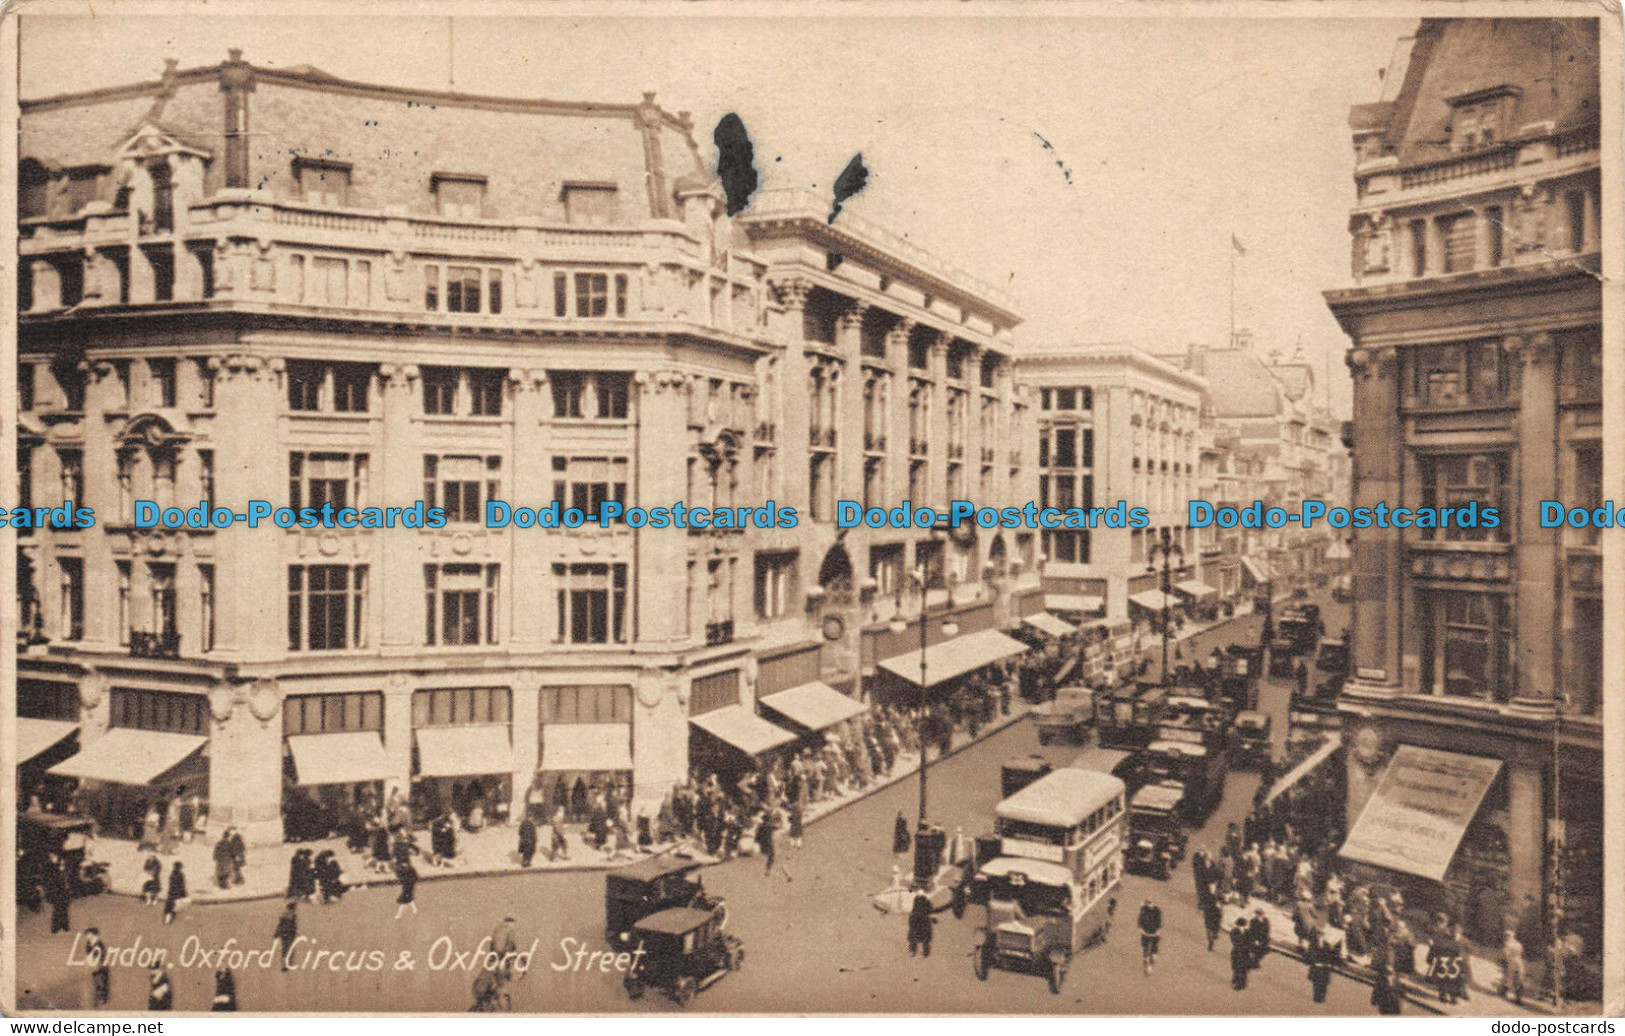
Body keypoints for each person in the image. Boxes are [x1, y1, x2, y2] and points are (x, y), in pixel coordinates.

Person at [83, 928, 111, 1008]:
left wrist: (97, 967)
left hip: (100, 970)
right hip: (94, 970)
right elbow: (88, 957)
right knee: (95, 988)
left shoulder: (99, 945)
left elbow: (101, 959)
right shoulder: (88, 944)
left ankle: (101, 1005)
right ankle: (96, 1006)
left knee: (101, 988)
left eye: (88, 934)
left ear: (93, 934)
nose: (87, 936)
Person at [1136, 898, 1163, 973]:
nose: (1150, 904)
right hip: (1146, 931)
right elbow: (1140, 919)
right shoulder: (1143, 909)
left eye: (1151, 903)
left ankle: (1150, 962)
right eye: (1148, 903)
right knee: (1145, 947)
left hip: (1154, 932)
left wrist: (1159, 929)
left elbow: (1159, 921)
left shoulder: (1157, 910)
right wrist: (1140, 928)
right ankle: (1146, 959)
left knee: (1153, 949)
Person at [1499, 929, 1525, 1005]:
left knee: (1508, 978)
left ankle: (1503, 992)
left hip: (1512, 961)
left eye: (1506, 936)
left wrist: (1505, 961)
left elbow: (1505, 954)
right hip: (1519, 962)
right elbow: (1521, 953)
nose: (1505, 937)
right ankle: (1518, 998)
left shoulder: (1508, 944)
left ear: (1509, 936)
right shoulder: (1518, 944)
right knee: (1519, 979)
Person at [1306, 933, 1332, 1004]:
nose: (1321, 937)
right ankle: (1317, 997)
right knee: (1317, 983)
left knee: (1323, 983)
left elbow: (1330, 957)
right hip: (1317, 967)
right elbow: (1310, 955)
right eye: (1320, 935)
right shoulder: (1314, 943)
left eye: (1322, 935)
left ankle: (1321, 997)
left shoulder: (1327, 944)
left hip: (1324, 968)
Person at [907, 893, 935, 958]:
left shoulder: (917, 900)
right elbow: (932, 912)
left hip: (918, 921)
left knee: (914, 938)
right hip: (922, 921)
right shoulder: (926, 901)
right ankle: (923, 953)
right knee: (923, 939)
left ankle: (914, 951)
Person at [273, 903, 298, 971]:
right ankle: (288, 964)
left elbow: (280, 925)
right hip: (290, 934)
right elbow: (294, 926)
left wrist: (277, 933)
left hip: (283, 934)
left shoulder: (284, 915)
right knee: (289, 948)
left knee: (284, 948)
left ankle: (284, 965)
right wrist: (295, 933)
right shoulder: (293, 915)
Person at [1230, 918, 1252, 991]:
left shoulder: (1247, 932)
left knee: (1242, 968)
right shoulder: (1234, 931)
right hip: (1238, 952)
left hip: (1244, 953)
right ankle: (1236, 980)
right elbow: (1234, 941)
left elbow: (1249, 941)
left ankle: (1241, 984)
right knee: (1236, 967)